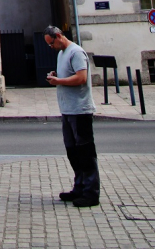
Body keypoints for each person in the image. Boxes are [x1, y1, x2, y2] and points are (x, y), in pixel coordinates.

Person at [44, 25, 100, 207]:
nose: (50, 48)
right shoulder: (61, 54)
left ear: (59, 36)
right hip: (67, 110)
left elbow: (81, 78)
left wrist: (59, 81)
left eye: (51, 43)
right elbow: (67, 75)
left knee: (85, 152)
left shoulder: (76, 52)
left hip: (80, 110)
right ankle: (79, 187)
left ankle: (91, 193)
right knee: (73, 152)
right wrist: (56, 75)